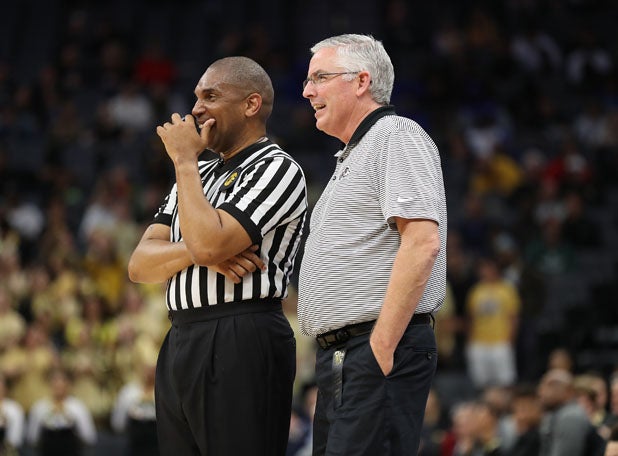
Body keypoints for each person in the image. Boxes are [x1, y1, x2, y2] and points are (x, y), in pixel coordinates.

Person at [127, 56, 308, 456]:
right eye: (196, 97)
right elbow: (140, 265)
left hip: (242, 332)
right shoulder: (196, 176)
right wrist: (201, 254)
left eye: (210, 96)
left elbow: (208, 243)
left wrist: (184, 161)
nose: (195, 109)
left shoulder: (277, 168)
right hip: (181, 336)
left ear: (251, 104)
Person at [297, 34, 447, 455]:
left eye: (319, 78)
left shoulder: (395, 135)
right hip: (346, 354)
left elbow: (422, 243)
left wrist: (380, 346)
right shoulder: (356, 152)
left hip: (374, 347)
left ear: (361, 81)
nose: (307, 90)